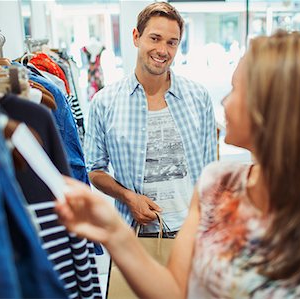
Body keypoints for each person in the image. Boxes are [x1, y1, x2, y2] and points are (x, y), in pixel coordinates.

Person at [58, 31, 300, 298]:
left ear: (274, 110)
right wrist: (115, 232)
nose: (223, 101)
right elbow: (175, 290)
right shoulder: (218, 184)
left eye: (235, 89)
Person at [84, 2, 217, 234]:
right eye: (155, 38)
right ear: (136, 37)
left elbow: (209, 169)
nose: (163, 50)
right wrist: (128, 197)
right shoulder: (104, 102)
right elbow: (94, 170)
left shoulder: (198, 97)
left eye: (171, 42)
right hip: (136, 232)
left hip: (191, 230)